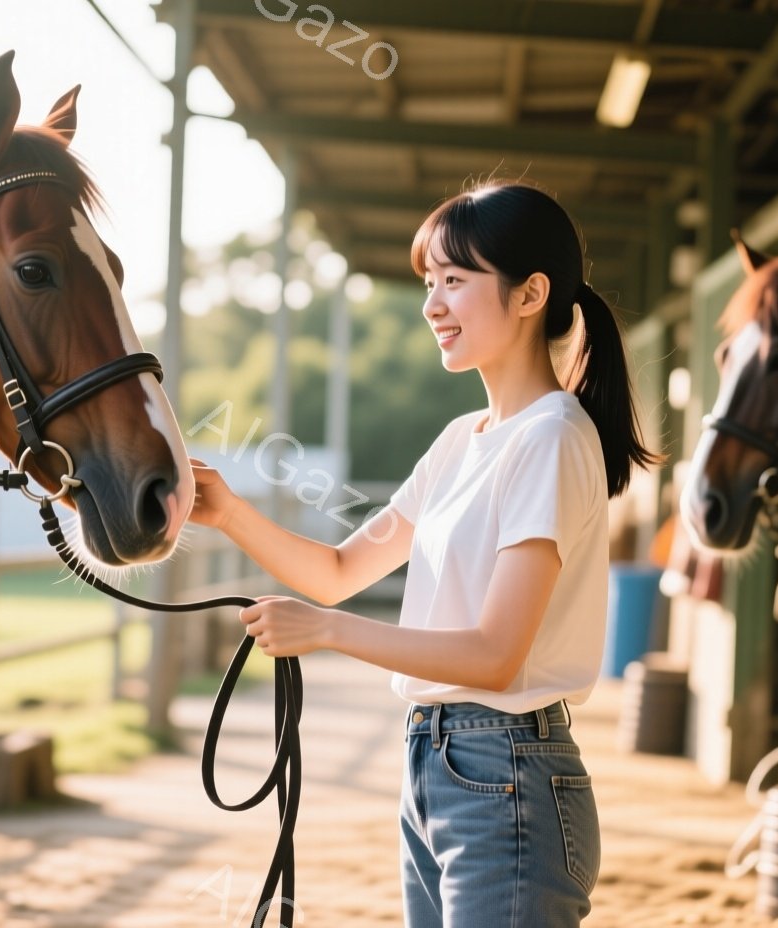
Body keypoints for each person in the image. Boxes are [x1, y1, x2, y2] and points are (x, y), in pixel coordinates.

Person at [188, 181, 663, 927]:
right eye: (428, 282)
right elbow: (341, 572)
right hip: (437, 768)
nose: (432, 305)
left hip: (506, 771)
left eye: (455, 281)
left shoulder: (550, 437)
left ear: (530, 293)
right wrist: (230, 514)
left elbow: (496, 654)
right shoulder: (460, 441)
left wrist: (327, 633)